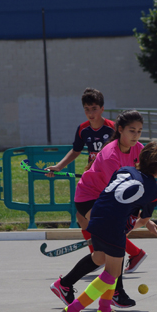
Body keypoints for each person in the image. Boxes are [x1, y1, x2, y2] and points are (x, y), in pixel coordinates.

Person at [57, 142, 157, 312]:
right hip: (112, 227)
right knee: (112, 274)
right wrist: (131, 227)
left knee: (103, 260)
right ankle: (72, 311)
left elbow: (115, 197)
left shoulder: (124, 170)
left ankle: (104, 311)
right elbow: (142, 220)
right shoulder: (154, 192)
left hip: (95, 217)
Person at [50, 110, 148, 309]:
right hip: (90, 197)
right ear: (120, 130)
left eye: (139, 131)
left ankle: (64, 284)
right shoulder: (111, 155)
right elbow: (119, 192)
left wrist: (145, 214)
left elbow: (142, 181)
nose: (136, 135)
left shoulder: (139, 149)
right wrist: (136, 215)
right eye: (131, 131)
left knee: (101, 256)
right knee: (115, 242)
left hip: (109, 198)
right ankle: (116, 293)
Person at [46, 87, 115, 248]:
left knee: (103, 219)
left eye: (94, 109)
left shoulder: (113, 128)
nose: (91, 113)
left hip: (109, 179)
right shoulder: (83, 129)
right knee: (82, 216)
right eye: (87, 109)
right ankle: (95, 254)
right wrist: (58, 166)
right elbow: (76, 151)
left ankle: (133, 253)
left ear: (102, 109)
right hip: (93, 177)